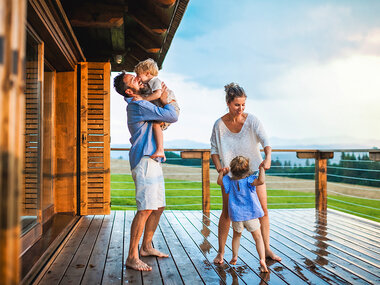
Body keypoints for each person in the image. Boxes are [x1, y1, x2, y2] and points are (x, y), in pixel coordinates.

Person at [113, 71, 178, 271]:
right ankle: (132, 256)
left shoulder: (141, 102)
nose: (139, 79)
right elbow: (172, 115)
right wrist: (165, 100)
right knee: (146, 209)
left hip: (153, 159)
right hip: (145, 160)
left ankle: (146, 247)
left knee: (158, 207)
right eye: (134, 79)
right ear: (130, 91)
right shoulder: (137, 104)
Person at [210, 82, 281, 264]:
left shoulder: (252, 121)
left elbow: (266, 140)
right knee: (226, 213)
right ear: (228, 102)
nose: (240, 109)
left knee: (263, 211)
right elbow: (214, 151)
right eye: (236, 105)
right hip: (230, 177)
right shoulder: (219, 125)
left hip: (254, 174)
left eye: (243, 105)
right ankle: (221, 253)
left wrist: (268, 157)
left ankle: (266, 250)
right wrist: (220, 169)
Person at [217, 156, 268, 272]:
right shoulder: (250, 180)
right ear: (247, 169)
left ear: (232, 170)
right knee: (258, 237)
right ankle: (262, 260)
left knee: (236, 236)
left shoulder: (229, 181)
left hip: (237, 217)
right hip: (251, 215)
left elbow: (219, 182)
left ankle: (235, 256)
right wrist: (262, 170)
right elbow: (261, 181)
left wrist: (221, 172)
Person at [134, 58, 180, 161]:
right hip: (165, 107)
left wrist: (143, 99)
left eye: (138, 75)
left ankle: (160, 150)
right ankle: (159, 150)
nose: (138, 78)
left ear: (147, 73)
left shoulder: (155, 81)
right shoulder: (148, 84)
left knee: (155, 125)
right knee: (155, 126)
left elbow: (158, 94)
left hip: (171, 107)